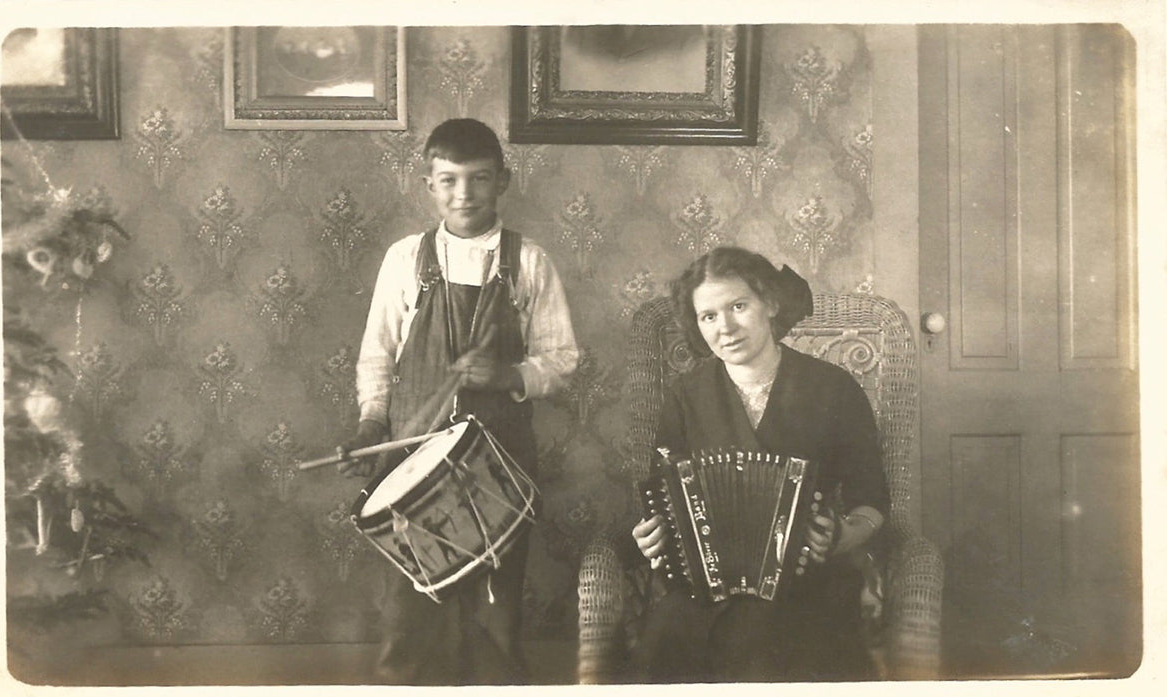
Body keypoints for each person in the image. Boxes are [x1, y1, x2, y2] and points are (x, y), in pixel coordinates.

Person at [337, 118, 579, 684]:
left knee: (494, 605)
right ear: (428, 185)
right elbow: (377, 353)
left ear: (504, 182)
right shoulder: (405, 259)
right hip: (414, 454)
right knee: (410, 603)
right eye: (448, 180)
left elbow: (563, 361)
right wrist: (373, 420)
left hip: (500, 460)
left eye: (478, 179)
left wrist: (505, 376)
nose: (463, 194)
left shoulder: (529, 262)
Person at [630, 246, 888, 683]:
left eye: (738, 306)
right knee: (662, 649)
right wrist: (653, 537)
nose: (725, 327)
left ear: (769, 304)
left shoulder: (833, 388)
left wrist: (843, 536)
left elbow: (873, 501)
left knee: (764, 642)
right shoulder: (685, 395)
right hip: (706, 588)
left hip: (809, 584)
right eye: (708, 316)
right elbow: (666, 497)